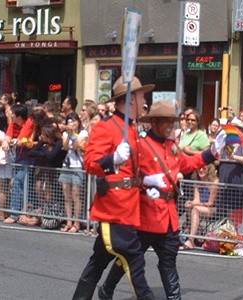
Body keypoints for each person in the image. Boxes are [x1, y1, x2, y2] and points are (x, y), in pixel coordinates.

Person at [98, 100, 222, 300]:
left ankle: (174, 298)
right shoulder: (141, 144)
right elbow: (127, 174)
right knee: (130, 259)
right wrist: (144, 185)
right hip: (147, 214)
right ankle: (107, 288)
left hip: (168, 215)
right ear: (154, 121)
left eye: (172, 122)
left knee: (168, 260)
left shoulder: (172, 146)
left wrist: (211, 153)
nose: (170, 126)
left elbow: (187, 164)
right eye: (166, 122)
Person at [72, 76, 156, 300]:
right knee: (134, 258)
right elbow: (91, 163)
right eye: (142, 96)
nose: (144, 101)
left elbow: (137, 169)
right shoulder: (106, 127)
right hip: (114, 207)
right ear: (131, 99)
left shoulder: (133, 128)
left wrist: (151, 181)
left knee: (99, 259)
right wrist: (113, 159)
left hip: (131, 205)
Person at [1, 104, 35, 224]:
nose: (10, 115)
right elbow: (8, 136)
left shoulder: (29, 122)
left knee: (19, 182)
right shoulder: (13, 123)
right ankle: (24, 212)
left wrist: (11, 142)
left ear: (19, 116)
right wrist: (6, 141)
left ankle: (16, 213)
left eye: (12, 113)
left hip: (30, 158)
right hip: (18, 158)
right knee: (22, 184)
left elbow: (20, 139)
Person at [59, 112, 88, 233]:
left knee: (76, 196)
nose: (73, 123)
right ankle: (68, 221)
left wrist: (73, 134)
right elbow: (65, 147)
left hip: (78, 166)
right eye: (70, 121)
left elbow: (76, 145)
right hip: (67, 165)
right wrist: (68, 133)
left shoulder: (83, 133)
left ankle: (76, 223)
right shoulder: (65, 133)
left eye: (75, 121)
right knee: (67, 196)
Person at [180, 164, 218, 251]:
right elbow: (196, 200)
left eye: (204, 168)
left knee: (195, 209)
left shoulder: (214, 182)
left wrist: (195, 205)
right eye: (199, 168)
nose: (201, 170)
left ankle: (191, 240)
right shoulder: (198, 181)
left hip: (214, 209)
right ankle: (198, 234)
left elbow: (210, 203)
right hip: (202, 206)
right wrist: (190, 203)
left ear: (209, 169)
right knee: (189, 207)